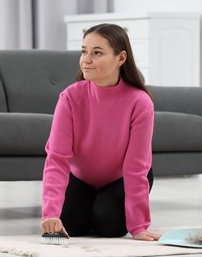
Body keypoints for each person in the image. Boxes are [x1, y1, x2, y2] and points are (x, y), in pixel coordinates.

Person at [40, 23, 160, 241]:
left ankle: (101, 208)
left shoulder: (140, 102)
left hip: (121, 178)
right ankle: (91, 207)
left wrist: (139, 226)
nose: (86, 59)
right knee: (70, 225)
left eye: (97, 53)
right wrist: (51, 214)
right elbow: (57, 159)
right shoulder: (70, 98)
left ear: (121, 58)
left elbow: (136, 167)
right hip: (81, 178)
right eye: (84, 51)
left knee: (110, 226)